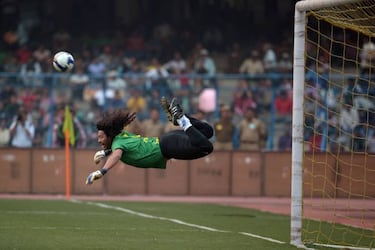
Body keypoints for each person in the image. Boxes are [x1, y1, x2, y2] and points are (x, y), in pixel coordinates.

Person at [86, 97, 214, 185]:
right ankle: (181, 119)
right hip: (167, 140)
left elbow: (117, 154)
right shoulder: (121, 136)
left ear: (109, 136)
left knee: (206, 147)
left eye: (101, 137)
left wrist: (102, 171)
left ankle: (182, 121)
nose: (98, 140)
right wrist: (105, 152)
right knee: (208, 131)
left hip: (168, 147)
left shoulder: (117, 145)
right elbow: (121, 150)